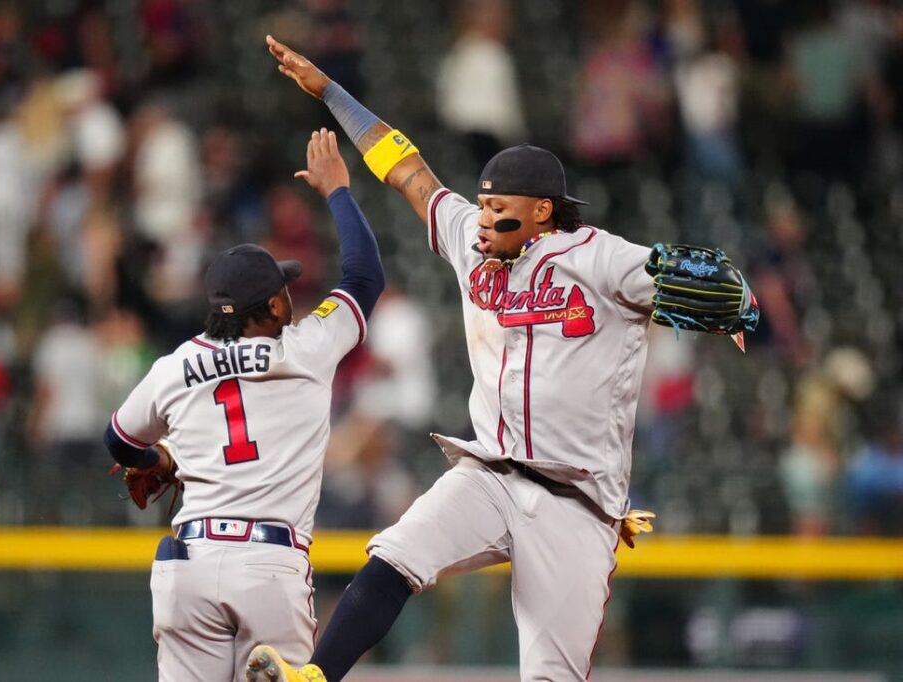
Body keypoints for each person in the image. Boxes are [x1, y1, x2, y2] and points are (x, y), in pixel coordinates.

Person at [248, 36, 752, 682]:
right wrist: (330, 94)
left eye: (498, 208)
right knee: (397, 554)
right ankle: (315, 677)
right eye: (481, 204)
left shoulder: (602, 258)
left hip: (578, 503)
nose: (481, 219)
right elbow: (405, 168)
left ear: (542, 212)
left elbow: (707, 287)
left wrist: (734, 301)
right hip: (491, 472)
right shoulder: (469, 240)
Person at [103, 129, 385, 681]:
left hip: (191, 558)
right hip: (269, 564)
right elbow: (365, 276)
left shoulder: (175, 366)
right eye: (284, 291)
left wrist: (159, 462)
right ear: (275, 304)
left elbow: (119, 440)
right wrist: (338, 192)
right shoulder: (306, 348)